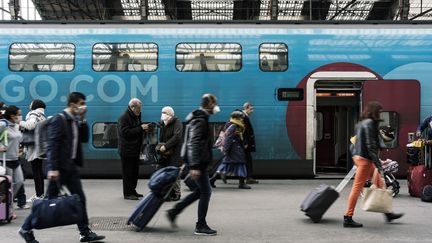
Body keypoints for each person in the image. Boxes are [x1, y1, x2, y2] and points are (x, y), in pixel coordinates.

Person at [19, 92, 105, 243]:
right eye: (81, 103)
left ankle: (84, 233)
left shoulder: (73, 121)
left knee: (80, 199)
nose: (83, 106)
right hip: (59, 169)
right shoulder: (59, 120)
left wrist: (83, 119)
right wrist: (52, 168)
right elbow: (53, 144)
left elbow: (84, 139)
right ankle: (26, 228)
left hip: (70, 168)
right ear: (72, 105)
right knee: (47, 203)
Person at [167, 93, 220, 236]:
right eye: (214, 103)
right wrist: (194, 166)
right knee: (206, 192)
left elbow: (189, 142)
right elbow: (193, 143)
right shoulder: (200, 120)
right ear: (208, 104)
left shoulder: (198, 118)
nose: (216, 106)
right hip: (198, 164)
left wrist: (187, 162)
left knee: (199, 191)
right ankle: (200, 226)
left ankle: (174, 211)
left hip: (195, 162)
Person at [344, 101, 403, 228]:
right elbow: (370, 145)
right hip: (365, 159)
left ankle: (388, 213)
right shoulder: (370, 123)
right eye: (379, 111)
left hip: (361, 157)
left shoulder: (362, 123)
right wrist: (378, 163)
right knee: (357, 188)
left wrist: (375, 161)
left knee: (380, 184)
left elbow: (356, 142)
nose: (381, 113)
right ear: (375, 111)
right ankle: (347, 217)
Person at [118, 98, 149, 200]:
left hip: (135, 149)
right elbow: (125, 133)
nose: (140, 110)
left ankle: (133, 190)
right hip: (127, 150)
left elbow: (136, 128)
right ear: (132, 107)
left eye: (141, 108)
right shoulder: (124, 118)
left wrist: (144, 127)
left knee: (134, 173)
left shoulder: (136, 116)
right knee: (128, 173)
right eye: (139, 108)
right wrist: (141, 128)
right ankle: (127, 193)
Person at [0, 106, 29, 210]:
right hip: (4, 160)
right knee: (8, 185)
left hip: (15, 159)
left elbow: (18, 140)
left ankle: (8, 203)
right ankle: (8, 207)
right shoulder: (3, 124)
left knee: (20, 181)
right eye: (19, 114)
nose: (20, 116)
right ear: (12, 116)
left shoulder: (16, 126)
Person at [20, 100, 47, 202]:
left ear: (35, 105)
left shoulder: (34, 114)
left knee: (36, 172)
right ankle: (40, 194)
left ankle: (39, 195)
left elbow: (30, 125)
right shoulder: (42, 115)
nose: (29, 104)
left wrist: (20, 122)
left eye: (31, 103)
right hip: (40, 146)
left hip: (33, 146)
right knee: (39, 171)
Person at [216, 111, 250, 189]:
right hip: (234, 149)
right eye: (241, 117)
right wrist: (226, 149)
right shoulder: (233, 125)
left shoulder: (233, 124)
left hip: (235, 149)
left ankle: (212, 180)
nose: (242, 119)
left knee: (226, 166)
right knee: (240, 164)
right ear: (237, 117)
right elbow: (228, 138)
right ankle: (241, 183)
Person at [158, 106, 183, 201]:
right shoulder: (163, 123)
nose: (163, 114)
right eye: (162, 112)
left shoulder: (177, 122)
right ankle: (167, 193)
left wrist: (166, 146)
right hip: (165, 153)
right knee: (165, 173)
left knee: (175, 173)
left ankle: (177, 193)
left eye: (165, 113)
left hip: (175, 153)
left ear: (171, 114)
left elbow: (177, 136)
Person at [241, 102, 258, 184]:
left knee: (247, 160)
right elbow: (241, 131)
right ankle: (248, 178)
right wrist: (245, 142)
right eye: (251, 109)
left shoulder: (244, 117)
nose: (252, 111)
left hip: (245, 143)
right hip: (245, 144)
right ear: (246, 108)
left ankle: (248, 177)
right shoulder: (243, 117)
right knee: (246, 160)